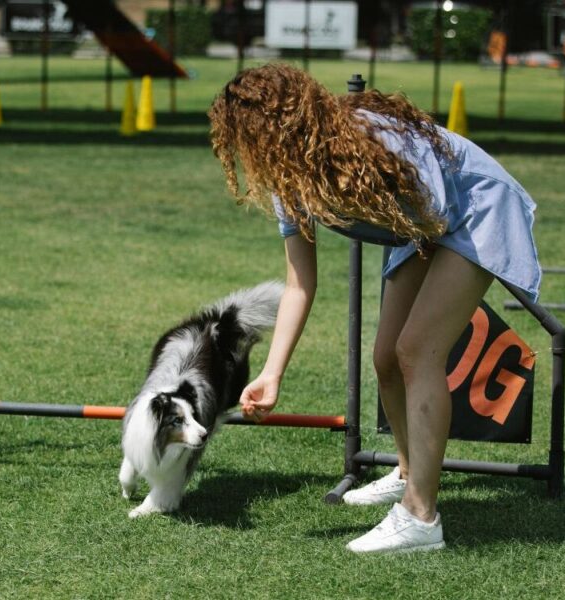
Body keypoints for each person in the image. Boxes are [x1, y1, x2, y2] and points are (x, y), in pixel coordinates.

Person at [207, 64, 541, 555]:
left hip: (473, 209)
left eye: (247, 138)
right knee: (387, 357)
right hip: (425, 227)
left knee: (417, 350)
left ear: (274, 127)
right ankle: (408, 473)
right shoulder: (289, 178)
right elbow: (300, 284)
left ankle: (420, 516)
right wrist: (273, 374)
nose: (246, 154)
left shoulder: (372, 137)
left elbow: (438, 204)